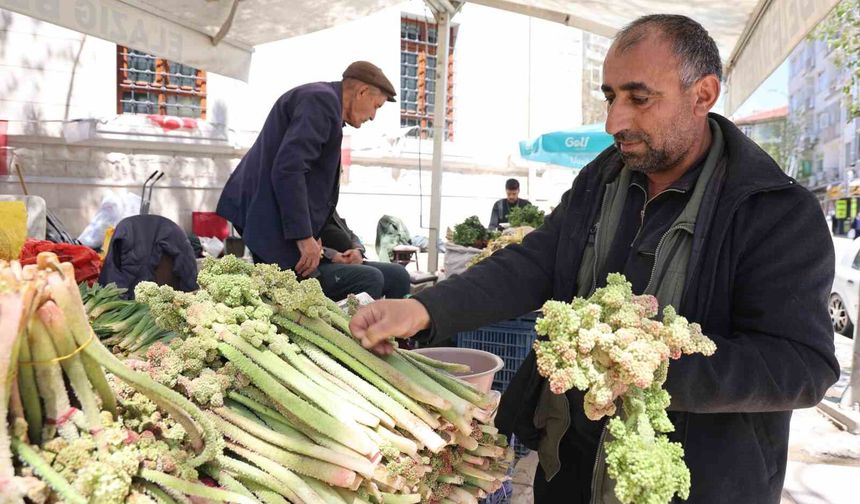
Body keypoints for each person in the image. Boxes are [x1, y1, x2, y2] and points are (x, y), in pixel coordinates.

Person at [349, 14, 839, 504]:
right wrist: (425, 308)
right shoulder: (602, 178)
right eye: (610, 97)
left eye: (639, 98)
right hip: (570, 470)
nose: (614, 122)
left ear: (703, 94)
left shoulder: (773, 210)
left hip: (695, 486)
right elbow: (536, 262)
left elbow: (803, 366)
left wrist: (649, 366)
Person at [216, 61, 396, 278]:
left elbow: (308, 181)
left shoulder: (325, 102)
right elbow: (289, 169)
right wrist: (304, 237)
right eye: (376, 106)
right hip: (266, 212)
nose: (374, 116)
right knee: (284, 288)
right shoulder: (321, 101)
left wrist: (326, 243)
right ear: (362, 92)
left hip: (273, 213)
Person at [316, 209, 411, 300]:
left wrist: (358, 250)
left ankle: (394, 312)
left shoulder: (328, 207)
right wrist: (332, 255)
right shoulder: (309, 207)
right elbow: (308, 245)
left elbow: (350, 234)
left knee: (398, 274)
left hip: (347, 260)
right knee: (371, 277)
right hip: (319, 265)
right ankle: (365, 312)